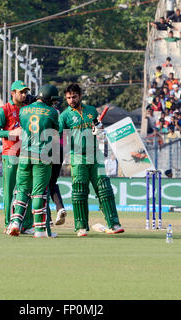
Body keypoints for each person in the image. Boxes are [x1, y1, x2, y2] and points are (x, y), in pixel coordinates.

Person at [59, 83, 124, 237]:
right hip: (78, 157)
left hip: (96, 156)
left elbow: (100, 133)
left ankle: (114, 223)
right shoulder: (65, 116)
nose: (71, 100)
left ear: (80, 96)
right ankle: (81, 227)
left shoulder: (91, 110)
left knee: (104, 188)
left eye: (74, 96)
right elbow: (59, 136)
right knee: (80, 190)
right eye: (68, 98)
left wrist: (99, 129)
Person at [6, 84, 60, 238]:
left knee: (21, 190)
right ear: (48, 98)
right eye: (53, 100)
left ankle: (15, 222)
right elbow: (55, 134)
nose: (54, 103)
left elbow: (24, 129)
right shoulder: (52, 112)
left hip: (24, 154)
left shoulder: (23, 110)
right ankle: (40, 230)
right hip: (42, 156)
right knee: (38, 194)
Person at [0, 80, 34, 234]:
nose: (24, 95)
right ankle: (9, 222)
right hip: (10, 154)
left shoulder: (28, 109)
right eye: (21, 92)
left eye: (25, 92)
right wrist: (11, 133)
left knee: (26, 189)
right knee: (10, 190)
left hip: (26, 153)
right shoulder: (4, 109)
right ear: (13, 93)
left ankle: (27, 224)